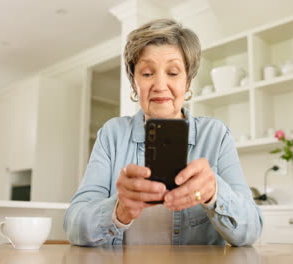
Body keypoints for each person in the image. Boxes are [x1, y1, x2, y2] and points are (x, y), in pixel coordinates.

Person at [64, 19, 262, 246]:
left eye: (173, 72)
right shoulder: (112, 134)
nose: (160, 84)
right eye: (147, 73)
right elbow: (73, 226)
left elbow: (251, 230)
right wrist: (118, 210)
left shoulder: (216, 135)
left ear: (187, 82)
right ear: (133, 82)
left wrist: (214, 193)